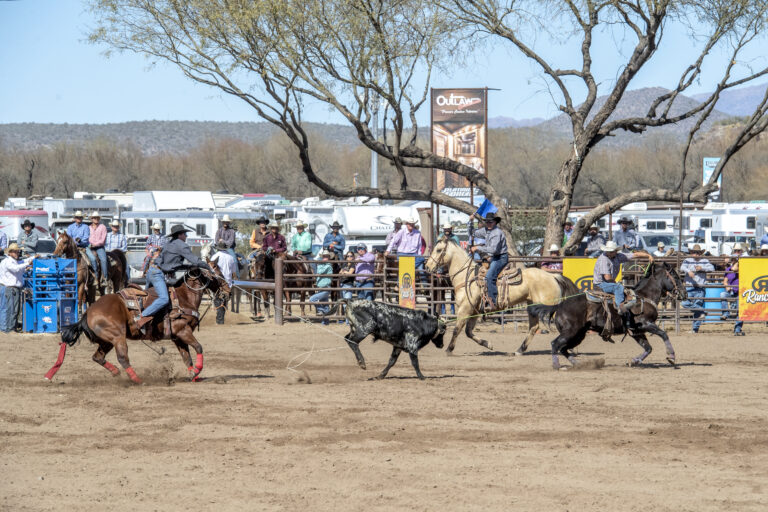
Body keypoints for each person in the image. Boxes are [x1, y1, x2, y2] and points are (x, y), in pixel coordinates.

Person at [137, 225, 212, 333]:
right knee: (164, 299)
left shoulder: (169, 243)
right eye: (185, 234)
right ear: (180, 235)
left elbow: (171, 264)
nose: (186, 236)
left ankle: (145, 317)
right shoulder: (182, 245)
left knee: (148, 298)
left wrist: (188, 267)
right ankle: (141, 317)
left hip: (151, 271)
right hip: (158, 274)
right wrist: (208, 267)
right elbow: (195, 260)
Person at [593, 240, 653, 315]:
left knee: (621, 288)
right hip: (600, 284)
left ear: (616, 251)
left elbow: (635, 255)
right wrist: (616, 283)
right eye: (608, 251)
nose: (609, 253)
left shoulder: (618, 256)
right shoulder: (604, 259)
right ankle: (620, 307)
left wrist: (648, 255)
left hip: (607, 283)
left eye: (611, 252)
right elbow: (607, 278)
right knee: (618, 287)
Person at [470, 212, 508, 310]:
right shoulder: (486, 230)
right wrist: (471, 222)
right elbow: (473, 233)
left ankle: (493, 302)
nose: (489, 224)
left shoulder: (497, 233)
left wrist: (478, 248)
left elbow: (493, 250)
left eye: (490, 222)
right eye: (487, 222)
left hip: (500, 258)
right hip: (494, 257)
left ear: (495, 222)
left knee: (489, 276)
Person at [0, 243, 36, 332]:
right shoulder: (8, 262)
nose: (17, 253)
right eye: (15, 252)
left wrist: (32, 258)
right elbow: (16, 268)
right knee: (12, 309)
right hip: (10, 288)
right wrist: (28, 263)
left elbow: (21, 263)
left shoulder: (12, 261)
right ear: (10, 253)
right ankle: (9, 328)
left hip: (11, 288)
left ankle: (9, 328)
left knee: (11, 309)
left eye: (18, 251)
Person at [680, 244, 714, 334]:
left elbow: (712, 268)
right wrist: (689, 271)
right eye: (695, 252)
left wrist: (702, 268)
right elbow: (682, 267)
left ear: (700, 253)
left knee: (697, 306)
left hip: (700, 287)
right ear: (692, 253)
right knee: (684, 303)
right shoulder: (687, 260)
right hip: (689, 286)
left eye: (698, 252)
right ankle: (702, 311)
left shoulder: (705, 261)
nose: (696, 254)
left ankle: (695, 329)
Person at [209, 241, 237, 325]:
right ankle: (220, 320)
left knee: (217, 299)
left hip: (218, 281)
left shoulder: (214, 256)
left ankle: (219, 321)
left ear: (218, 248)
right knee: (224, 301)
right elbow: (234, 272)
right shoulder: (231, 257)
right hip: (228, 283)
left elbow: (211, 270)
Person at [720, 242, 745, 336]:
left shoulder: (744, 267)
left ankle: (737, 329)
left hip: (740, 291)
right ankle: (725, 313)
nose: (737, 252)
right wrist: (727, 286)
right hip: (731, 291)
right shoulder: (728, 269)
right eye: (735, 251)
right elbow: (725, 281)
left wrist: (737, 263)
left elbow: (735, 269)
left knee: (740, 310)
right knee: (722, 294)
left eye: (738, 251)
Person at [309, 250, 333, 325]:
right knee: (325, 305)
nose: (325, 257)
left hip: (325, 288)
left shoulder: (328, 265)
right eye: (324, 256)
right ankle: (325, 321)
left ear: (329, 257)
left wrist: (319, 263)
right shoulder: (322, 264)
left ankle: (322, 311)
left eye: (326, 256)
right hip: (321, 287)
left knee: (312, 299)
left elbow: (320, 272)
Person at [86, 212, 109, 286]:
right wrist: (89, 244)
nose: (96, 219)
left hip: (99, 247)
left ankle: (105, 278)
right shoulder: (88, 228)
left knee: (103, 260)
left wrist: (94, 244)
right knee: (87, 260)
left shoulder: (103, 227)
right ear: (92, 219)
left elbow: (103, 240)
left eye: (97, 218)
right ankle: (92, 277)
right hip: (90, 247)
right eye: (94, 218)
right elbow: (87, 237)